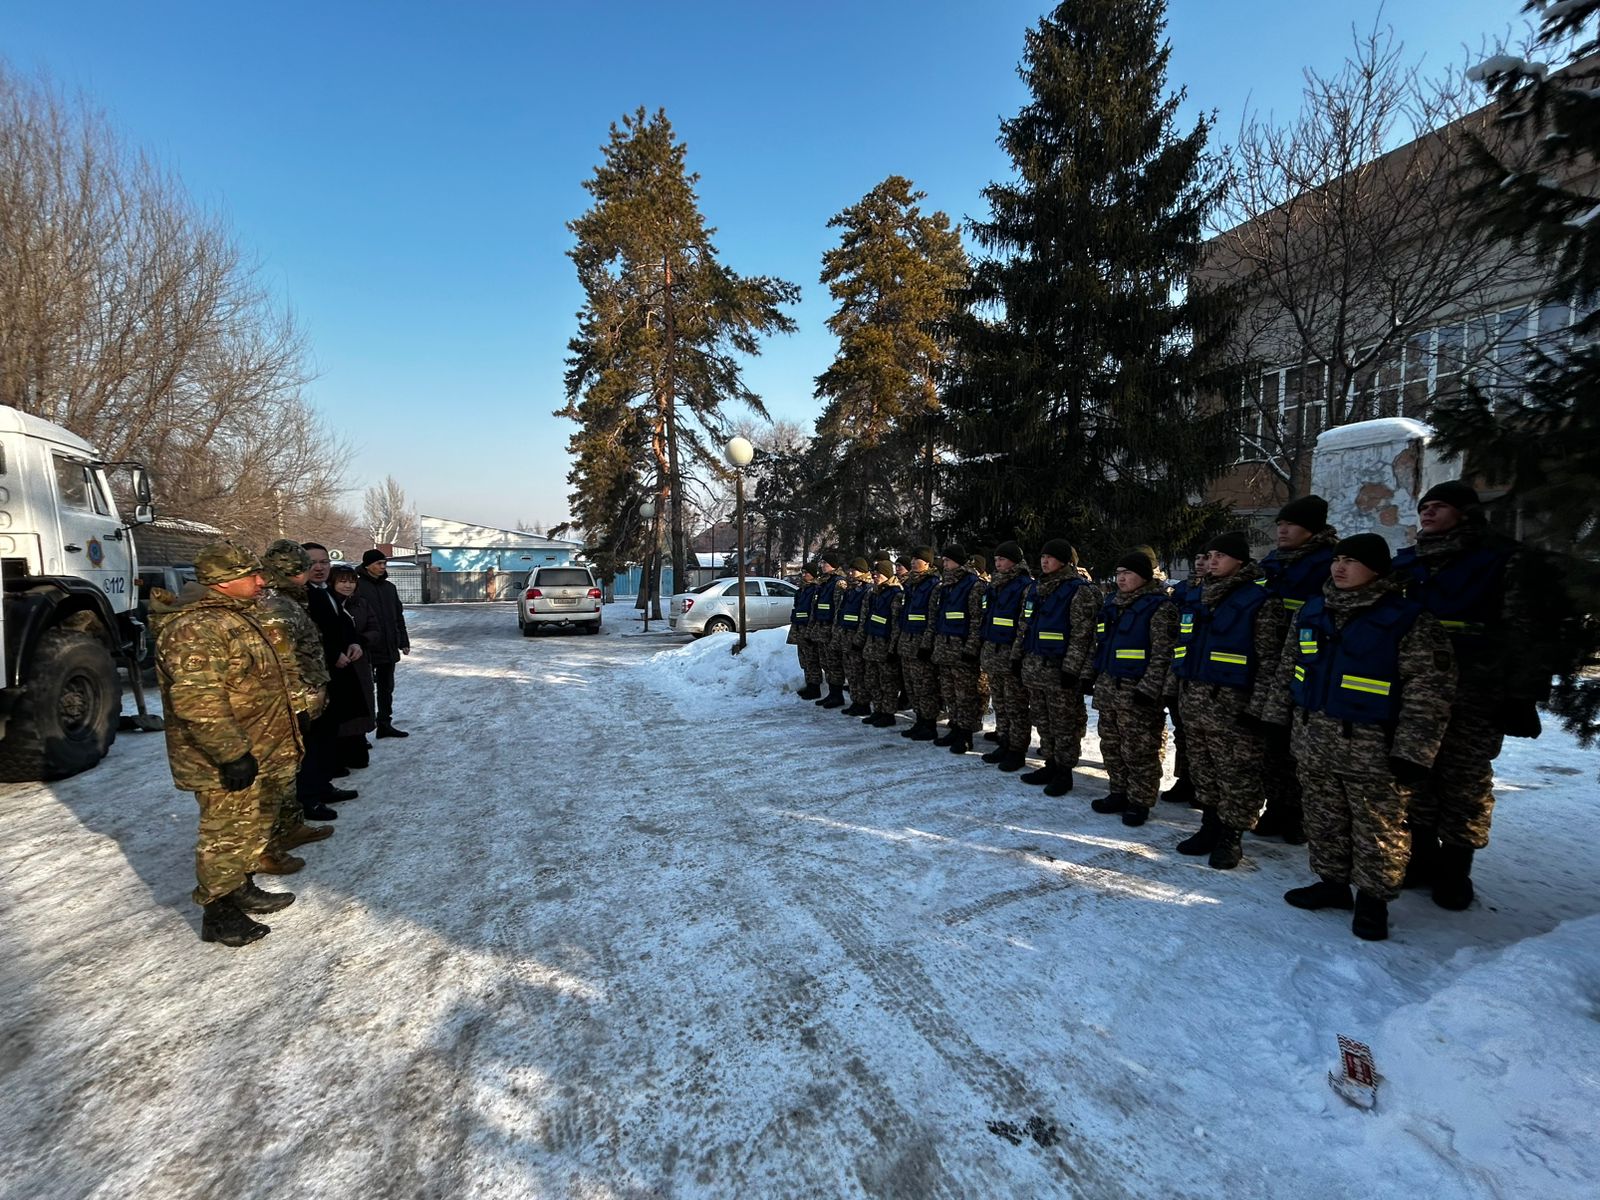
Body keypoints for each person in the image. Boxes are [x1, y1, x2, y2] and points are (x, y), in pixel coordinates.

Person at [1260, 533, 1456, 940]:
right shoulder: (1313, 612)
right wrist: (1276, 721)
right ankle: (1332, 884)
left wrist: (1413, 752)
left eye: (1351, 560)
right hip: (1314, 738)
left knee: (1377, 828)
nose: (1340, 567)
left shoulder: (1408, 620)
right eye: (1337, 559)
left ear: (1379, 570)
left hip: (1373, 748)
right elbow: (1289, 671)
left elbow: (1428, 692)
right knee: (1323, 816)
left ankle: (1373, 899)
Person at [1391, 481, 1542, 909]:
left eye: (1440, 507)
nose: (1429, 513)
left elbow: (1525, 631)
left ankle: (1456, 870)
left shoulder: (1500, 560)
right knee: (1413, 774)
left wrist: (1520, 694)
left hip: (1475, 691)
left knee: (1464, 780)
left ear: (1466, 514)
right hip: (1414, 690)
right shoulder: (1407, 563)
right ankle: (1421, 858)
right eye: (1425, 507)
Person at [150, 542, 301, 947]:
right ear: (222, 582)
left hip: (258, 747)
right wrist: (231, 753)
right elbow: (199, 701)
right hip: (222, 755)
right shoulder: (196, 629)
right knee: (225, 833)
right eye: (250, 574)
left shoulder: (235, 616)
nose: (260, 579)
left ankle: (241, 885)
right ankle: (218, 912)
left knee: (248, 827)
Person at [1169, 531, 1287, 869]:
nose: (1212, 561)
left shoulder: (1262, 602)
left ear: (1240, 560)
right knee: (1204, 770)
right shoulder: (1198, 598)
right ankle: (1209, 826)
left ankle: (1231, 837)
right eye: (1210, 555)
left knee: (1238, 775)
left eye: (1220, 555)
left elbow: (1270, 663)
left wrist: (1261, 710)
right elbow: (1182, 648)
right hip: (1195, 701)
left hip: (1236, 709)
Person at [1255, 495, 1340, 844]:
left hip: (1309, 662)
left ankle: (1300, 814)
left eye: (1290, 524)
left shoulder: (1329, 563)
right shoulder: (1274, 561)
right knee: (1272, 741)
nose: (1282, 530)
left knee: (1302, 747)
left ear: (1312, 529)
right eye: (1279, 525)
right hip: (1269, 660)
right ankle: (1276, 805)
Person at [254, 539, 335, 862]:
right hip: (289, 701)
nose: (314, 569)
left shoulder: (292, 599)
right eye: (306, 564)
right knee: (282, 771)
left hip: (304, 696)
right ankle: (270, 840)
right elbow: (282, 662)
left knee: (294, 765)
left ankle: (291, 824)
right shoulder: (276, 605)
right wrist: (297, 704)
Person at [1085, 550, 1180, 827]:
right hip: (1109, 686)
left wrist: (1149, 689)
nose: (1121, 578)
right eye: (1118, 573)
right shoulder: (1112, 604)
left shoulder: (1160, 607)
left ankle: (1140, 800)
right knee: (1112, 745)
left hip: (1137, 691)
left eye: (1127, 573)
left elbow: (1164, 654)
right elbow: (1101, 644)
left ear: (1144, 576)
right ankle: (1118, 791)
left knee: (1139, 748)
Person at [1014, 538, 1100, 797]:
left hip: (1060, 670)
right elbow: (1024, 626)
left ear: (1064, 561)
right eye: (1042, 556)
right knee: (1043, 720)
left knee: (1065, 724)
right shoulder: (1035, 589)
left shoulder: (1080, 591)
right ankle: (1050, 764)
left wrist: (1073, 671)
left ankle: (1064, 771)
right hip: (1035, 666)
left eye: (1050, 557)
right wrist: (1017, 657)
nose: (1044, 560)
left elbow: (1083, 635)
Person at [299, 543, 362, 813]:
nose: (320, 567)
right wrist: (331, 653)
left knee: (328, 734)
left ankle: (323, 785)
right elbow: (307, 638)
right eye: (313, 562)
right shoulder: (300, 597)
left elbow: (341, 626)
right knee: (312, 739)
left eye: (324, 562)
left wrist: (353, 643)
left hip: (336, 672)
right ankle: (308, 796)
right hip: (314, 677)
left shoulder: (326, 592)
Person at [979, 541, 1033, 772]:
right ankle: (1004, 741)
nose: (998, 563)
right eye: (996, 559)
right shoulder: (994, 585)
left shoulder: (1025, 586)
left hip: (1011, 655)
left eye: (1002, 559)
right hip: (993, 652)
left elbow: (1024, 623)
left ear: (1014, 561)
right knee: (1000, 703)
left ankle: (1017, 750)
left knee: (1015, 706)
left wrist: (1017, 655)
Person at [928, 545, 987, 755]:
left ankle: (965, 735)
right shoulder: (946, 585)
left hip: (962, 650)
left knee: (965, 695)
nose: (944, 564)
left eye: (947, 561)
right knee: (950, 693)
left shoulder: (974, 585)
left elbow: (976, 620)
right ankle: (954, 727)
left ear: (958, 562)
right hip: (944, 648)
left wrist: (971, 648)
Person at [1160, 552, 1207, 807]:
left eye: (1207, 557)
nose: (1200, 562)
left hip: (1210, 677)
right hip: (1181, 669)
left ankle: (1205, 787)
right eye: (1198, 557)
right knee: (1185, 733)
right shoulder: (1182, 592)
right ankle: (1186, 779)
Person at [357, 549, 411, 737]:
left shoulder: (389, 588)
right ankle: (361, 733)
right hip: (367, 648)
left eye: (384, 564)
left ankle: (384, 724)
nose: (382, 567)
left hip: (388, 646)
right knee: (364, 690)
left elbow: (398, 616)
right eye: (378, 564)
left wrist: (403, 640)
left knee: (386, 688)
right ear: (367, 565)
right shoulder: (357, 586)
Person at [331, 564, 379, 767]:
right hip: (336, 665)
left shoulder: (361, 604)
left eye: (351, 581)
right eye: (342, 581)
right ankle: (339, 752)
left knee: (361, 704)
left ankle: (358, 740)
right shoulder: (327, 603)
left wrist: (361, 641)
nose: (347, 585)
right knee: (341, 709)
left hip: (359, 662)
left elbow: (375, 628)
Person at [896, 547, 943, 740]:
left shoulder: (933, 585)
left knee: (925, 686)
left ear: (928, 563)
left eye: (919, 559)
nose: (914, 562)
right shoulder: (911, 585)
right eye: (913, 558)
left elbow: (932, 618)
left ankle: (929, 724)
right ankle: (920, 720)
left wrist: (927, 645)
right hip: (907, 641)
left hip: (921, 643)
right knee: (912, 685)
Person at [860, 560, 904, 728]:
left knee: (887, 683)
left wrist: (892, 649)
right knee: (873, 680)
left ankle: (888, 713)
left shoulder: (895, 594)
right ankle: (878, 710)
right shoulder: (875, 593)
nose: (874, 576)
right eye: (873, 573)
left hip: (885, 645)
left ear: (887, 574)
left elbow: (895, 625)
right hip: (872, 643)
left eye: (878, 573)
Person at [808, 552, 849, 708]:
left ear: (833, 565)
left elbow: (839, 609)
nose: (822, 565)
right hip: (821, 629)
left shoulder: (839, 583)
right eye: (822, 563)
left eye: (825, 563)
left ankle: (837, 695)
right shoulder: (823, 582)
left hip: (831, 630)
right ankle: (832, 694)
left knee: (834, 664)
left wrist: (835, 631)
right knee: (826, 663)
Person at [838, 558, 875, 716]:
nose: (851, 573)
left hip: (857, 637)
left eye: (855, 570)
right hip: (846, 634)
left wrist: (859, 640)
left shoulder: (868, 590)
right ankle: (856, 701)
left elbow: (864, 618)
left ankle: (863, 703)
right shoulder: (850, 589)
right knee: (851, 672)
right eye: (850, 570)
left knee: (859, 672)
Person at [790, 564, 822, 699]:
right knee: (804, 659)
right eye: (803, 573)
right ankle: (809, 684)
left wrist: (811, 630)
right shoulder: (802, 590)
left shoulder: (816, 589)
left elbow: (813, 611)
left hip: (808, 628)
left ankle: (815, 687)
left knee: (812, 659)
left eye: (807, 573)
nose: (804, 575)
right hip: (799, 628)